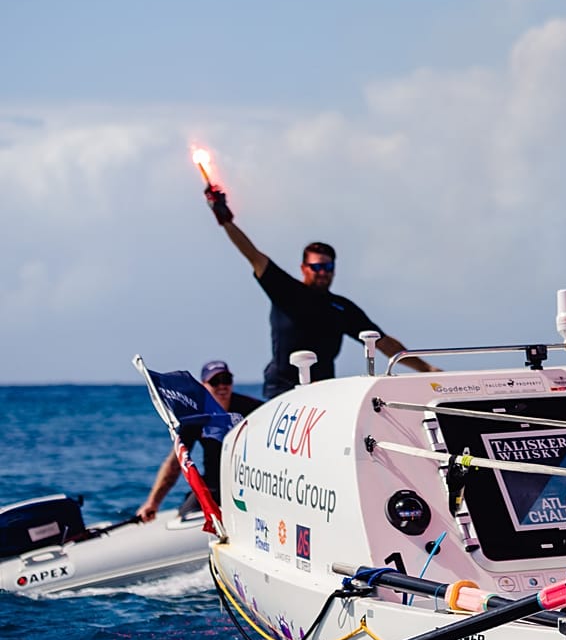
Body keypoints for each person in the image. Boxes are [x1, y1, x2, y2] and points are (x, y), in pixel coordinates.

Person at [203, 184, 441, 398]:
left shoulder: (341, 308)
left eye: (327, 266)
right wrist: (224, 218)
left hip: (324, 388)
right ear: (303, 268)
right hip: (282, 388)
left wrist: (427, 369)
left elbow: (384, 343)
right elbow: (252, 255)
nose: (322, 272)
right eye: (316, 267)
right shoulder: (286, 290)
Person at [138, 360, 264, 521]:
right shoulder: (196, 417)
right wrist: (153, 503)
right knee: (183, 519)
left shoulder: (253, 409)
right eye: (215, 381)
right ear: (204, 385)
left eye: (226, 380)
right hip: (212, 487)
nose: (222, 386)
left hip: (247, 486)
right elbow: (175, 463)